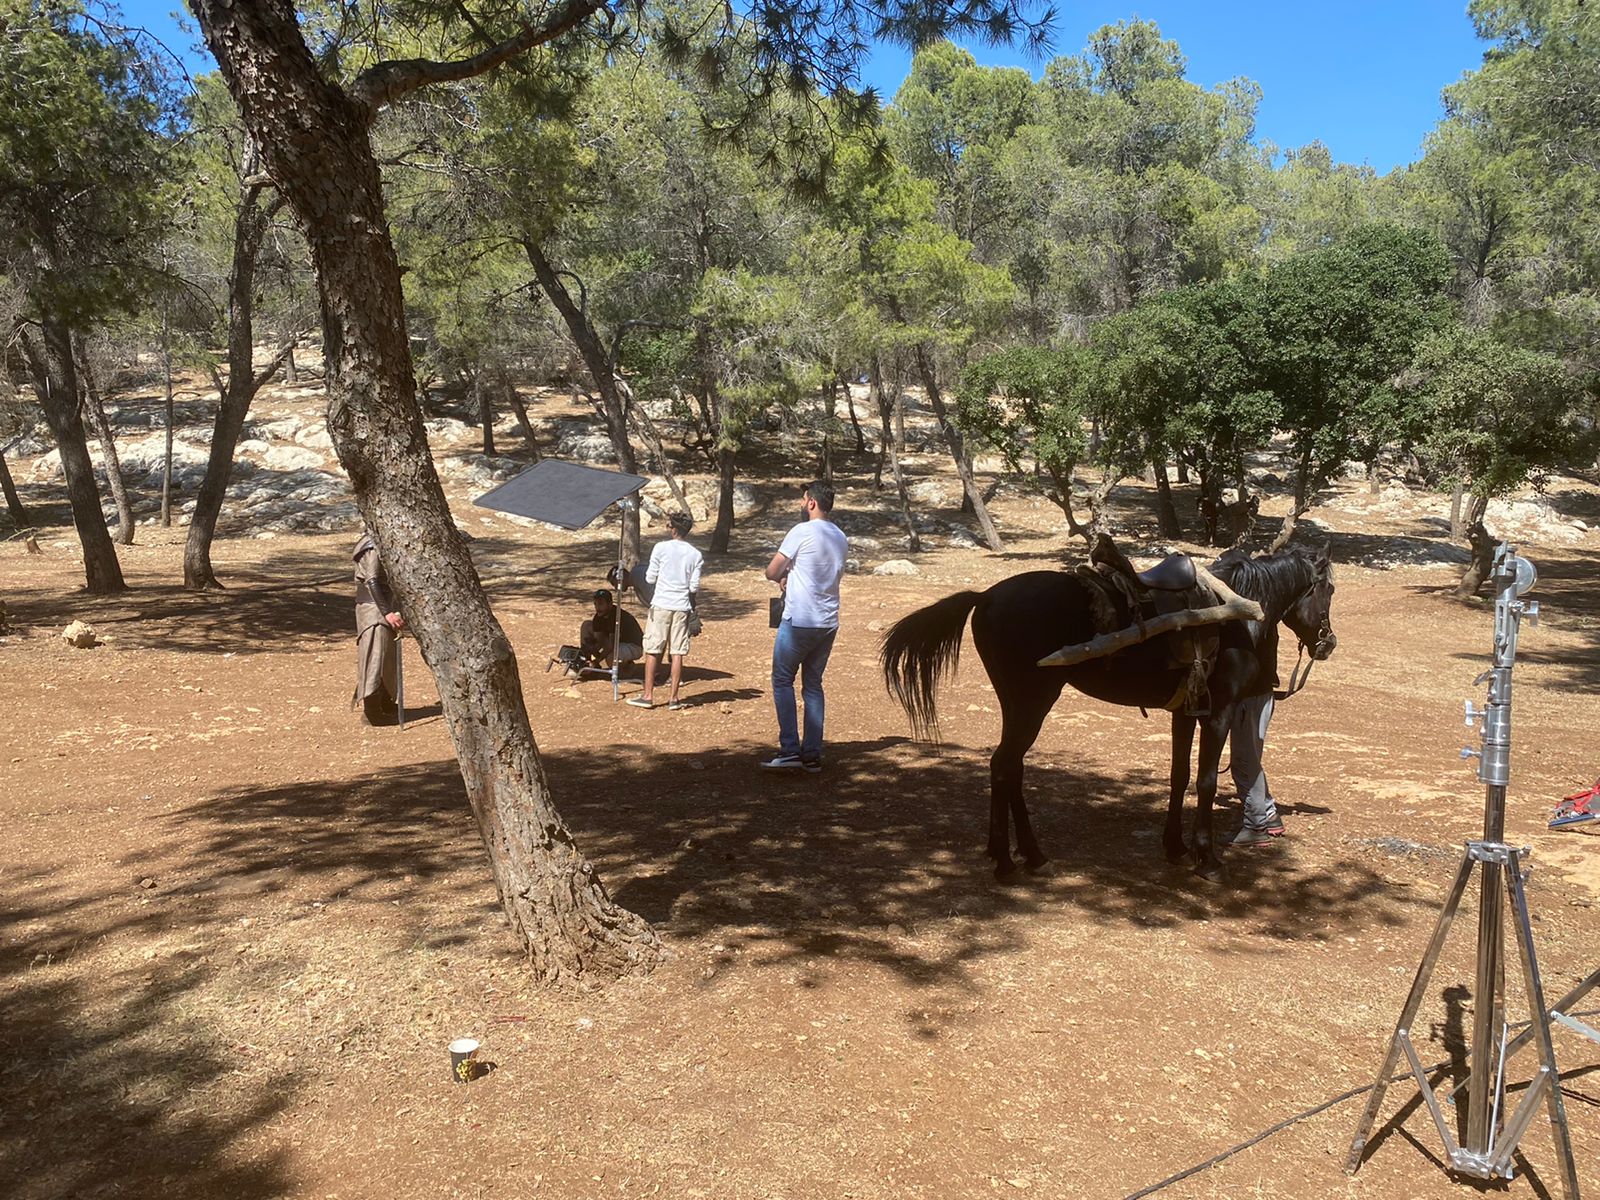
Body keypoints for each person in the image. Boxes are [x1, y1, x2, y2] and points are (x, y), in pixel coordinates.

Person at [761, 480, 848, 772]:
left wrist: (782, 576)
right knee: (812, 684)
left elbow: (772, 570)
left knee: (782, 679)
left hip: (800, 620)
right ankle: (811, 754)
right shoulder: (839, 536)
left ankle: (789, 750)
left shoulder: (801, 531)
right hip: (828, 621)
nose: (801, 504)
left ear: (811, 502)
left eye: (803, 499)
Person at [630, 510, 702, 711]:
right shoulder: (695, 554)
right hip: (681, 606)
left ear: (674, 529)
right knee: (677, 651)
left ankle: (648, 695)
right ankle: (674, 698)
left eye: (669, 525)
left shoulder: (660, 548)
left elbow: (650, 578)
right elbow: (694, 587)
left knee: (653, 649)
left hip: (662, 603)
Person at [352, 529, 404, 726]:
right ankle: (372, 710)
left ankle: (385, 700)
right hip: (374, 610)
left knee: (385, 657)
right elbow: (372, 580)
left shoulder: (377, 542)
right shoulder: (372, 546)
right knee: (376, 656)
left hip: (380, 608)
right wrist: (387, 612)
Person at [578, 589, 643, 673]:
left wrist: (597, 660)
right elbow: (599, 640)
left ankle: (627, 666)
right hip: (616, 643)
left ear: (610, 604)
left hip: (633, 646)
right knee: (587, 625)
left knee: (611, 658)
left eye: (601, 604)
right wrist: (590, 649)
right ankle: (586, 664)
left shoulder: (617, 616)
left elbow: (611, 644)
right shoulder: (598, 616)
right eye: (595, 604)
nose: (597, 607)